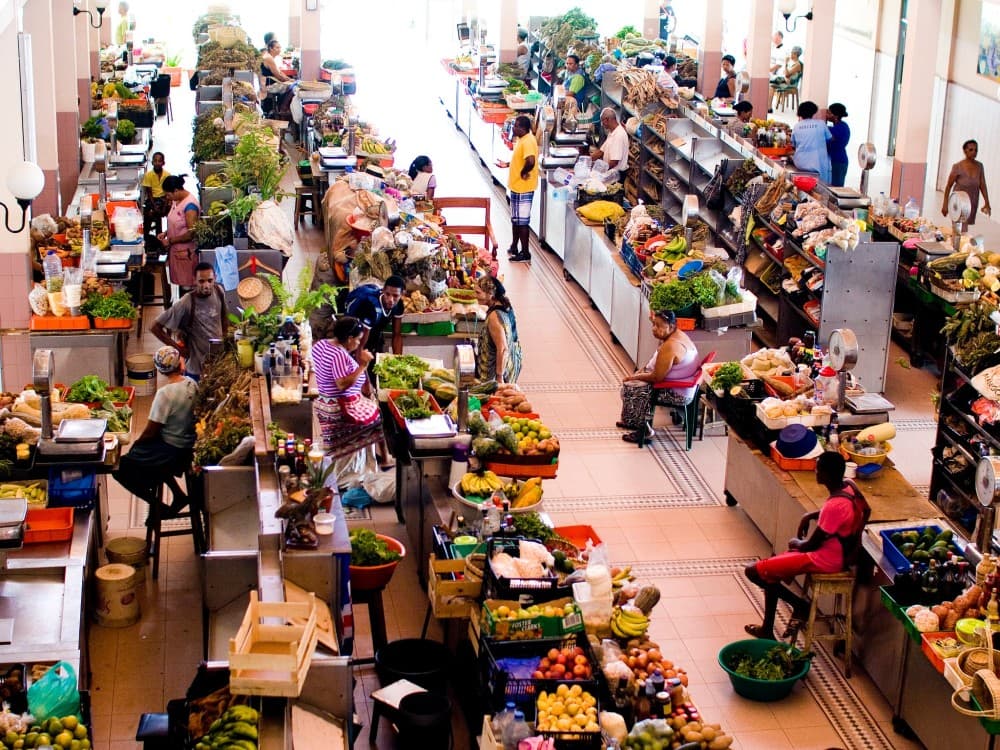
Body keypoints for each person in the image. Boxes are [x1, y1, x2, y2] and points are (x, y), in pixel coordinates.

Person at [744, 451, 870, 640]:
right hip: (840, 553)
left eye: (818, 469)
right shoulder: (850, 488)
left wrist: (796, 542)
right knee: (772, 571)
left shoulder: (833, 506)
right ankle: (767, 629)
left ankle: (801, 606)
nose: (815, 472)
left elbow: (810, 545)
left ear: (827, 474)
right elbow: (864, 510)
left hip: (825, 559)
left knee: (753, 571)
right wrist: (810, 515)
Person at [112, 346, 198, 518]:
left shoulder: (164, 394)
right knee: (146, 452)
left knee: (119, 468)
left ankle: (157, 505)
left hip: (171, 451)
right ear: (179, 363)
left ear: (159, 369)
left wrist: (136, 444)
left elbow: (151, 431)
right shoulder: (191, 384)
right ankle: (179, 495)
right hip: (187, 446)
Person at [312, 316, 393, 468]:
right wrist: (363, 365)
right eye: (358, 339)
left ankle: (383, 458)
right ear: (349, 338)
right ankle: (380, 460)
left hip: (326, 399)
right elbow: (342, 384)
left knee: (372, 403)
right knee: (377, 415)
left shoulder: (321, 344)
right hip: (341, 405)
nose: (359, 344)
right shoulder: (338, 355)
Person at [617, 309, 700, 444]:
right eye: (654, 324)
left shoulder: (671, 346)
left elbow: (657, 378)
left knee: (632, 389)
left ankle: (645, 431)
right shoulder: (678, 335)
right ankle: (633, 421)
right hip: (682, 385)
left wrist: (633, 378)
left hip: (677, 393)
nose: (654, 329)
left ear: (671, 327)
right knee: (634, 383)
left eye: (659, 326)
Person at [151, 263, 228, 381]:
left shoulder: (219, 291)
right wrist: (179, 349)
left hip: (218, 363)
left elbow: (223, 315)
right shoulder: (187, 302)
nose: (206, 285)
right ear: (194, 281)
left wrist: (226, 338)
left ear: (215, 278)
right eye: (201, 281)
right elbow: (155, 327)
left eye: (210, 280)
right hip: (196, 368)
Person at [155, 175, 200, 301]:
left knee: (187, 289)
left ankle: (188, 316)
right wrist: (166, 232)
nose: (167, 198)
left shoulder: (190, 206)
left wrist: (170, 241)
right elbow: (178, 222)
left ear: (176, 191)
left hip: (186, 254)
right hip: (177, 253)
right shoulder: (177, 201)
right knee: (182, 286)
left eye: (168, 195)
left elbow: (191, 233)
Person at [475, 275, 523, 384]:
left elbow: (502, 349)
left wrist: (499, 377)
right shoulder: (504, 304)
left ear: (490, 294)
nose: (475, 296)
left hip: (496, 373)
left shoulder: (494, 317)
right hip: (512, 362)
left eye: (478, 293)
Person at [344, 275, 404, 357]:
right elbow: (361, 343)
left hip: (375, 331)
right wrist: (361, 366)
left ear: (402, 294)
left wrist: (398, 361)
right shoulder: (371, 306)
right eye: (387, 294)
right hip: (357, 336)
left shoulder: (399, 305)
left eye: (395, 296)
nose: (390, 299)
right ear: (383, 291)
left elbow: (397, 334)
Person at [507, 114, 538, 263]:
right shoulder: (522, 139)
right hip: (516, 186)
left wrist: (523, 172)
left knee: (522, 222)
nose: (514, 127)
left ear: (523, 128)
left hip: (523, 187)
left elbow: (530, 161)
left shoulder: (528, 142)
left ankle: (525, 253)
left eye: (516, 125)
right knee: (516, 220)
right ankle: (514, 246)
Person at [942, 139, 992, 229]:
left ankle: (958, 241)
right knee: (960, 228)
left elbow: (982, 185)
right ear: (965, 151)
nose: (974, 152)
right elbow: (948, 186)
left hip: (972, 201)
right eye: (971, 150)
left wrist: (987, 203)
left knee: (963, 228)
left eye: (976, 150)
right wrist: (945, 204)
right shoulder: (957, 166)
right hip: (958, 202)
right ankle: (957, 242)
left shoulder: (979, 166)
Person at [791, 100, 831, 184]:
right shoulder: (821, 124)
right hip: (817, 165)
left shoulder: (796, 126)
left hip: (800, 164)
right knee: (822, 189)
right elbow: (830, 139)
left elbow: (793, 144)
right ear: (814, 112)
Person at [589, 108, 629, 181]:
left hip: (616, 175)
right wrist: (587, 160)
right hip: (610, 171)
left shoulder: (619, 135)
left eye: (602, 121)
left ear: (607, 119)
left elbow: (614, 162)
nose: (602, 124)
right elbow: (601, 151)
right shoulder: (612, 132)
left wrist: (599, 172)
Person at [142, 151, 170, 236]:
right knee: (151, 213)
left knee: (172, 214)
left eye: (159, 161)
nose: (157, 163)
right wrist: (155, 206)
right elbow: (149, 193)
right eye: (155, 161)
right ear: (152, 162)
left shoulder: (167, 175)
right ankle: (147, 237)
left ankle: (165, 236)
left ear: (163, 163)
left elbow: (168, 192)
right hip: (152, 200)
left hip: (163, 199)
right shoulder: (148, 175)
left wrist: (165, 206)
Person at [769, 46, 802, 111]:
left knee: (771, 86)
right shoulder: (793, 63)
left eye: (792, 53)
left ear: (796, 54)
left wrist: (786, 64)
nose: (791, 55)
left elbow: (787, 74)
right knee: (770, 86)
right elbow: (787, 73)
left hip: (789, 84)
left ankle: (769, 107)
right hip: (786, 81)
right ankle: (769, 107)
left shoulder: (798, 65)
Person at [826, 102, 851, 188]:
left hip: (838, 162)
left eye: (829, 113)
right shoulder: (838, 126)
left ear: (835, 116)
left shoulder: (840, 128)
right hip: (835, 160)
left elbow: (828, 137)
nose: (827, 115)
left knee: (836, 188)